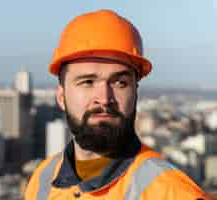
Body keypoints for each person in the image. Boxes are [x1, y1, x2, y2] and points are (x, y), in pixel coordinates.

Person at [25, 9, 210, 200]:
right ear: (61, 97)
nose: (104, 98)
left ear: (135, 92)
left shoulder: (173, 193)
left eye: (120, 83)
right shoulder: (42, 179)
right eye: (87, 82)